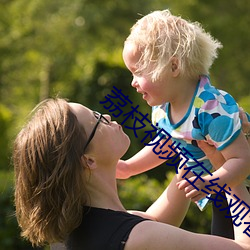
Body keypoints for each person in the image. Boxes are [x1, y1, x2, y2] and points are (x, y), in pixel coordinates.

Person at [13, 98, 250, 250]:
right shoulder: (138, 238)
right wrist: (231, 170)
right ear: (88, 160)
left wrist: (192, 147)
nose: (106, 116)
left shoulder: (72, 234)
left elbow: (154, 221)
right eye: (97, 120)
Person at [119, 9, 250, 238]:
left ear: (173, 67)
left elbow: (242, 160)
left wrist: (210, 182)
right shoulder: (163, 108)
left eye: (138, 72)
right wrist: (129, 167)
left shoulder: (211, 108)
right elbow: (167, 143)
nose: (133, 82)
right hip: (219, 183)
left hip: (240, 186)